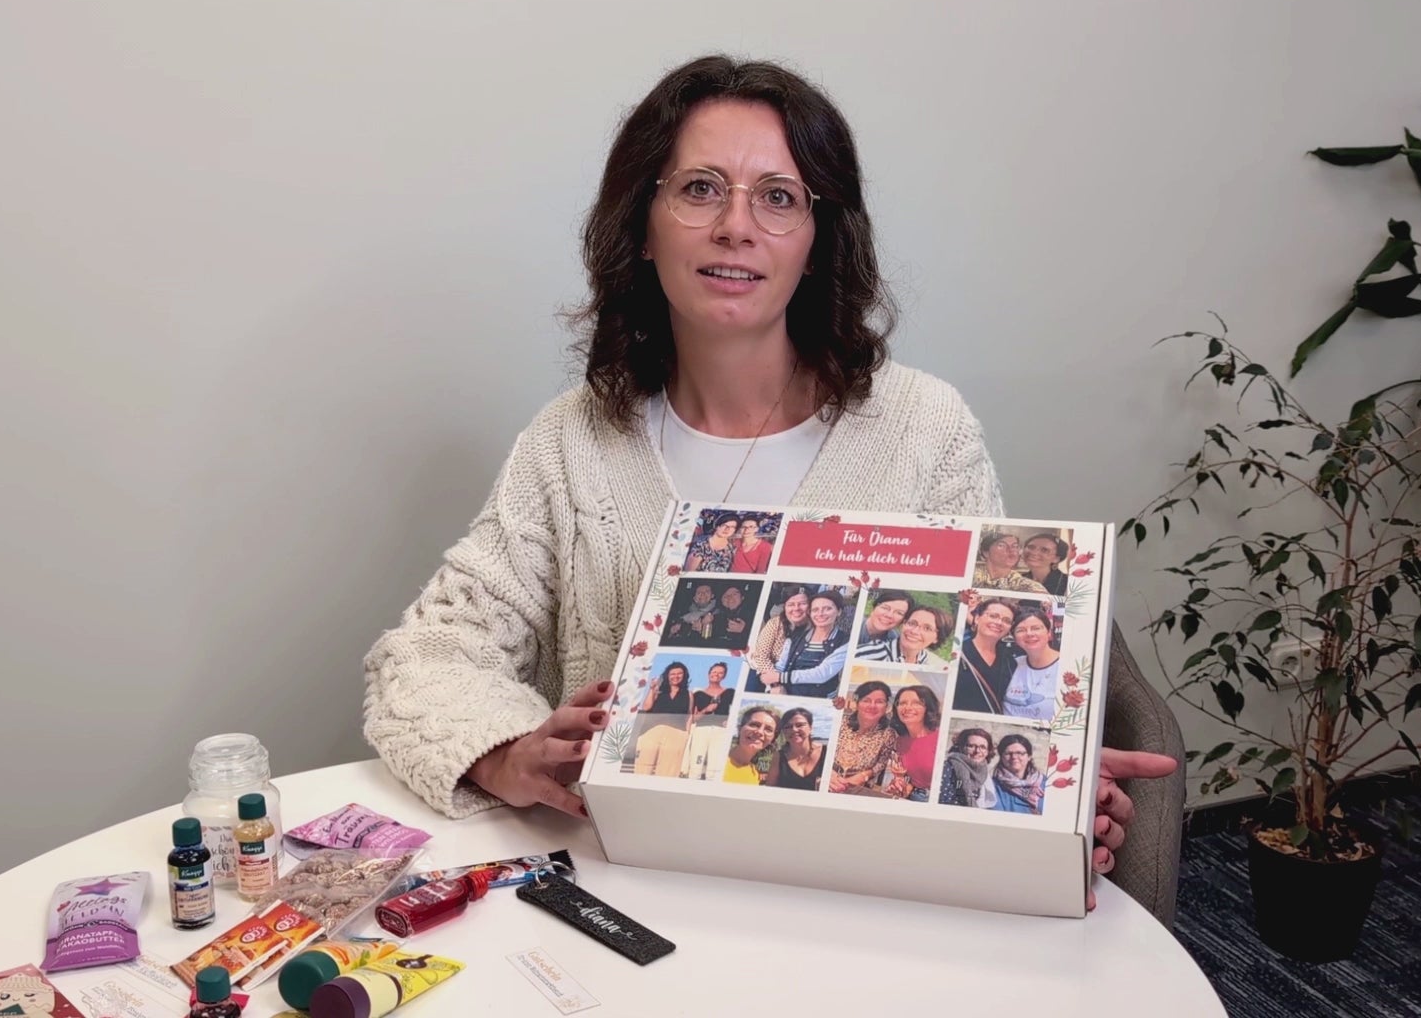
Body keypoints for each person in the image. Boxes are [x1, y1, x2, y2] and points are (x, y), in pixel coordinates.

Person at [359, 55, 1170, 903]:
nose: (735, 227)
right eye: (700, 189)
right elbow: (427, 656)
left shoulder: (926, 430)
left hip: (865, 891)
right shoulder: (571, 442)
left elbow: (974, 679)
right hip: (631, 882)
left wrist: (1048, 782)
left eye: (778, 198)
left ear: (818, 240)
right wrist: (509, 752)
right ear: (643, 226)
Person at [764, 590, 850, 697]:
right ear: (810, 613)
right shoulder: (796, 635)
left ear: (839, 611)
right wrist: (775, 686)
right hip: (787, 694)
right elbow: (781, 665)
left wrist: (781, 677)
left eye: (827, 609)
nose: (820, 614)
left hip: (821, 698)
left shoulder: (844, 641)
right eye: (815, 610)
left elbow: (823, 673)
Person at [827, 680, 898, 794]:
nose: (872, 706)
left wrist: (864, 776)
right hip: (828, 780)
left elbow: (881, 763)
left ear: (887, 706)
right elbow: (821, 751)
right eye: (866, 700)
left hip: (859, 787)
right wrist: (829, 773)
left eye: (879, 702)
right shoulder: (840, 723)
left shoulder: (888, 734)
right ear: (857, 703)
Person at [952, 598, 1017, 713]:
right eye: (993, 616)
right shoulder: (956, 653)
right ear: (977, 618)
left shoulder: (1009, 661)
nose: (999, 622)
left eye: (1006, 621)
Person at [1002, 607, 1063, 721]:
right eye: (1021, 630)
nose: (1029, 634)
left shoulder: (1067, 668)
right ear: (1014, 638)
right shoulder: (1012, 665)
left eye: (1036, 628)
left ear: (1049, 633)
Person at [884, 684, 942, 802]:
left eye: (916, 703)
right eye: (902, 703)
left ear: (928, 708)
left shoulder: (939, 738)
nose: (907, 708)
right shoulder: (901, 741)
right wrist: (902, 786)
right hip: (914, 798)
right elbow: (911, 779)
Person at [747, 587, 809, 692]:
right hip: (768, 671)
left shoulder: (815, 626)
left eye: (802, 603)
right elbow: (761, 656)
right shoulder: (775, 623)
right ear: (785, 607)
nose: (796, 608)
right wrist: (776, 684)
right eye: (791, 604)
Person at [855, 605, 952, 665]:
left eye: (927, 628)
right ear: (903, 624)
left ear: (937, 638)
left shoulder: (922, 657)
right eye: (912, 623)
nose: (914, 631)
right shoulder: (866, 655)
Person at [765, 707, 826, 790]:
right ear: (783, 732)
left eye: (799, 725)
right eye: (788, 727)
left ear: (810, 728)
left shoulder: (826, 753)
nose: (794, 729)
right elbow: (769, 789)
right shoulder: (778, 757)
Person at [939, 726, 998, 808]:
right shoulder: (947, 767)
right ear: (961, 747)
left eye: (982, 747)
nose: (977, 751)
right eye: (971, 746)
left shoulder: (985, 773)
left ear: (988, 751)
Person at [971, 532, 1049, 593]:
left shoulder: (1028, 585)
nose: (1011, 550)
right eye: (1001, 545)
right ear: (986, 552)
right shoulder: (971, 576)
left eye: (1015, 546)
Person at [988, 733, 1046, 814]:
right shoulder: (993, 787)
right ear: (1001, 757)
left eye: (1020, 753)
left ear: (1029, 756)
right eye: (1008, 753)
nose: (1014, 757)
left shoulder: (1045, 783)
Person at [724, 705, 777, 784]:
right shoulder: (716, 758)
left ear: (772, 740)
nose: (760, 732)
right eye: (754, 725)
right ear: (739, 729)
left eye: (768, 729)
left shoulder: (755, 775)